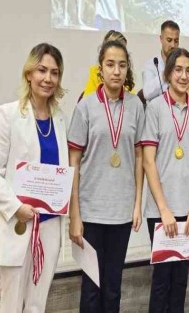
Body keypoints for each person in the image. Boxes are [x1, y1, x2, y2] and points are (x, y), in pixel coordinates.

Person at [0, 43, 68, 313]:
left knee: (36, 304)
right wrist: (16, 207)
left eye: (54, 72)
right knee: (11, 305)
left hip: (49, 225)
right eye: (42, 70)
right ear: (29, 73)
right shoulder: (8, 114)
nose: (48, 78)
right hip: (17, 222)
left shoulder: (60, 118)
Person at [68, 40, 145, 312]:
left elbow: (139, 156)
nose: (116, 71)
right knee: (91, 289)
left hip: (121, 212)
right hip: (91, 212)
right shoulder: (86, 106)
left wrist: (137, 203)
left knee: (113, 287)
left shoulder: (136, 106)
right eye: (110, 64)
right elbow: (74, 161)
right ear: (100, 68)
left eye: (122, 65)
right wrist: (74, 214)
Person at [142, 48, 189, 312]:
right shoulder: (155, 108)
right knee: (161, 280)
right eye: (178, 70)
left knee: (181, 280)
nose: (183, 76)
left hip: (188, 211)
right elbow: (148, 162)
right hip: (160, 211)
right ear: (168, 73)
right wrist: (164, 210)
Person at [81, 30, 135, 100]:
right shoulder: (95, 71)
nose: (117, 72)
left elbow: (131, 99)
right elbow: (88, 100)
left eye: (122, 48)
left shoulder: (124, 73)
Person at [142, 20, 180, 102]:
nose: (173, 45)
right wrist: (164, 75)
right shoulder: (151, 64)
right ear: (161, 39)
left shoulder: (183, 64)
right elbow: (146, 94)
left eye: (176, 41)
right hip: (156, 110)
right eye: (169, 40)